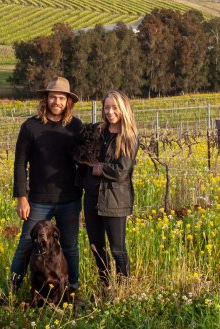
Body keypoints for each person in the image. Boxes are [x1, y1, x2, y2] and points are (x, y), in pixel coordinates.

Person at [10, 77, 83, 297]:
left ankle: (72, 290)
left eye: (62, 98)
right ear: (46, 99)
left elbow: (85, 158)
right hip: (38, 200)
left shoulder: (76, 127)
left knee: (69, 246)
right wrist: (22, 196)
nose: (57, 101)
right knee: (25, 244)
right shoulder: (30, 127)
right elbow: (20, 162)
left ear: (68, 101)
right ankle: (12, 291)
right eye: (53, 97)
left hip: (69, 199)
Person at [77, 90, 138, 289]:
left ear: (123, 109)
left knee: (117, 249)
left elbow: (122, 171)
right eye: (107, 107)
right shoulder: (98, 131)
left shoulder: (128, 137)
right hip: (92, 197)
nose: (110, 112)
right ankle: (106, 286)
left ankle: (124, 288)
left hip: (115, 199)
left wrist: (99, 168)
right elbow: (81, 149)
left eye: (114, 107)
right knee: (96, 247)